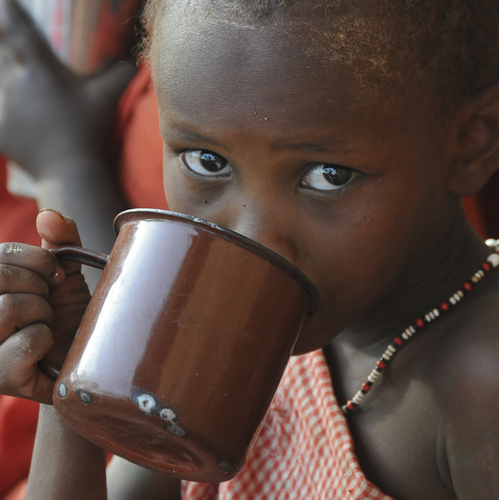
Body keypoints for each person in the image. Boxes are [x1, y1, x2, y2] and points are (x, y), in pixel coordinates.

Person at [1, 0, 499, 498]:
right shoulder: (237, 336)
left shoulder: (481, 383)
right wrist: (71, 390)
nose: (251, 237)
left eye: (329, 176)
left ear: (472, 142)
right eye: (206, 160)